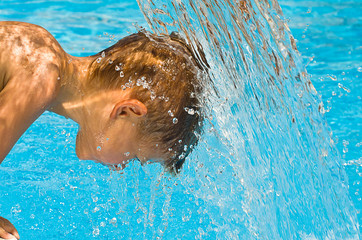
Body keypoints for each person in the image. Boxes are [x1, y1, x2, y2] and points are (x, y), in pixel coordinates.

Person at [0, 21, 205, 239]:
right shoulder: (42, 76)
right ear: (126, 112)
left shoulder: (41, 50)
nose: (120, 167)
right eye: (134, 155)